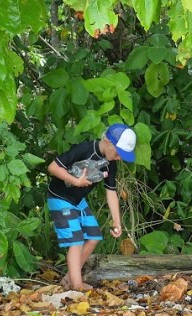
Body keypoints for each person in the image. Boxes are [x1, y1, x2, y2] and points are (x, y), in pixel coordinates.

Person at [47, 123, 137, 291]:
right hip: (60, 198)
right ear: (108, 142)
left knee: (94, 236)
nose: (119, 158)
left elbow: (111, 191)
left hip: (78, 201)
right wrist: (76, 181)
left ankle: (69, 279)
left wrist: (117, 221)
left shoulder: (111, 163)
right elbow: (52, 167)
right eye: (118, 153)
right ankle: (77, 286)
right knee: (75, 241)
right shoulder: (85, 149)